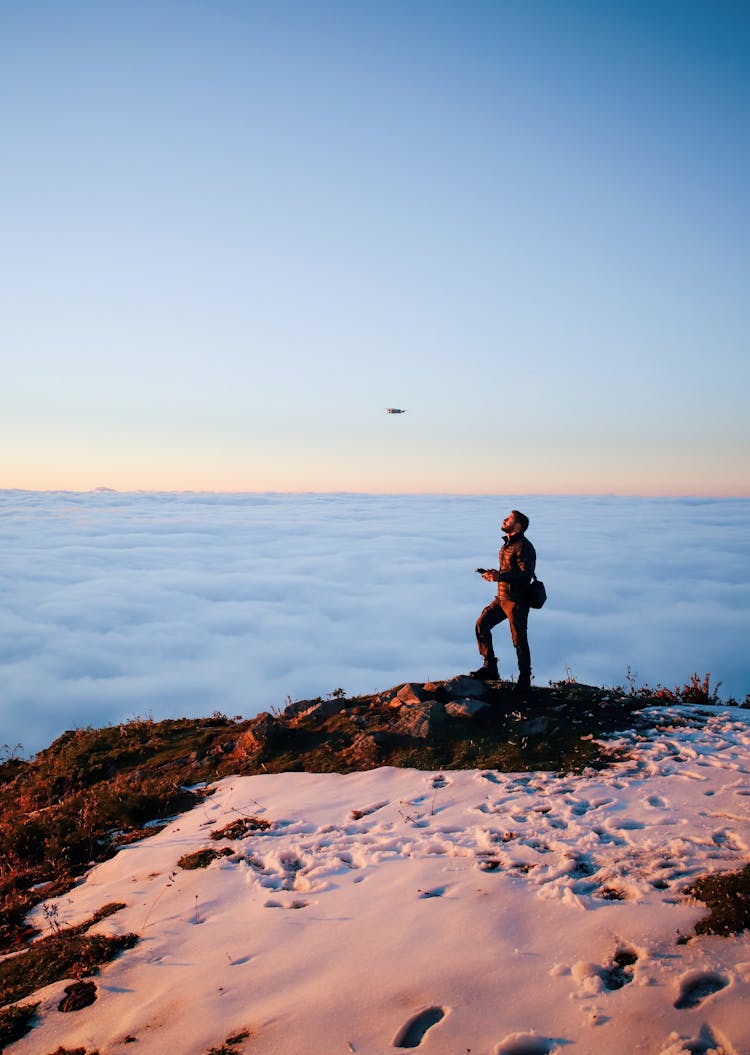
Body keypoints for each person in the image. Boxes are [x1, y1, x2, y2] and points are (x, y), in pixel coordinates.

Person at [472, 509, 535, 695]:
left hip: (516, 601)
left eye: (508, 519)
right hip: (501, 598)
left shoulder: (524, 546)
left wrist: (500, 576)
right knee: (481, 625)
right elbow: (510, 570)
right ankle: (490, 667)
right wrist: (495, 574)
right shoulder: (508, 544)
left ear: (517, 525)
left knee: (519, 640)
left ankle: (524, 681)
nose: (504, 520)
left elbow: (526, 574)